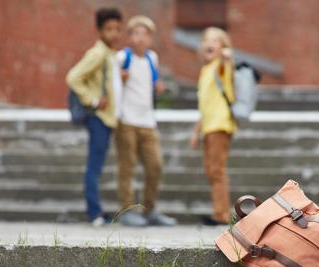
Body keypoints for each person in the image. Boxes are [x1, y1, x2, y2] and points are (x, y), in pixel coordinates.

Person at [113, 16, 176, 227]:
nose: (140, 38)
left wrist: (158, 86)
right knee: (127, 167)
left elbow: (151, 82)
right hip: (126, 121)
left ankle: (150, 210)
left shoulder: (152, 58)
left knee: (155, 165)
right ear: (129, 36)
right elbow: (112, 85)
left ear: (151, 38)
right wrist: (118, 79)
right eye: (136, 33)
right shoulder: (122, 57)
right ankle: (127, 210)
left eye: (145, 34)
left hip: (148, 121)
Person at [66, 8, 122, 227]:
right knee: (94, 166)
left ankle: (96, 210)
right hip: (98, 118)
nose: (114, 34)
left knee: (97, 165)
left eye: (118, 29)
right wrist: (93, 100)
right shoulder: (98, 53)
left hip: (107, 119)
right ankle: (94, 213)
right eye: (109, 29)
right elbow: (73, 77)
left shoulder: (110, 53)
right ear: (99, 31)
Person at [189, 27, 236, 226]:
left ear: (222, 46)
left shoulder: (220, 66)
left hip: (220, 124)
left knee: (217, 170)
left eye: (215, 40)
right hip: (208, 126)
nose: (209, 43)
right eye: (206, 40)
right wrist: (196, 132)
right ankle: (220, 211)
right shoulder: (205, 70)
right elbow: (204, 105)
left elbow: (228, 63)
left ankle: (221, 214)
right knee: (211, 170)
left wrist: (227, 56)